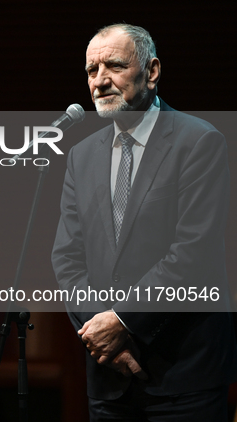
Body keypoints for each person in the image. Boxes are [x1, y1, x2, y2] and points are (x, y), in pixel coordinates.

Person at [51, 23, 237, 421]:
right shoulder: (81, 156)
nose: (100, 81)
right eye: (91, 71)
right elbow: (67, 258)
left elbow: (193, 252)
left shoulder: (199, 141)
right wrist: (104, 335)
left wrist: (122, 322)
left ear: (151, 71)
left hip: (183, 373)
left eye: (114, 66)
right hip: (109, 376)